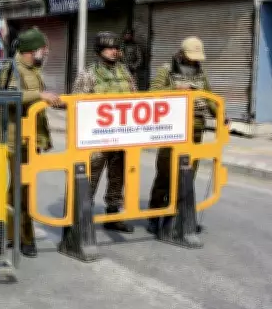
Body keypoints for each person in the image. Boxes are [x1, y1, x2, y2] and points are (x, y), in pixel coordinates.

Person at [0, 28, 63, 257]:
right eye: (44, 48)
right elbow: (8, 99)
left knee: (16, 189)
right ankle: (25, 238)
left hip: (28, 138)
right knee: (23, 190)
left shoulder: (32, 69)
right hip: (16, 139)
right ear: (32, 50)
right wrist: (39, 96)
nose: (47, 52)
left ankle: (13, 234)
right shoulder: (14, 69)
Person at [147, 37, 222, 235]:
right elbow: (152, 92)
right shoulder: (167, 70)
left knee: (187, 175)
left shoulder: (200, 73)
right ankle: (155, 216)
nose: (194, 61)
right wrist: (176, 89)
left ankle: (179, 217)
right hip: (171, 129)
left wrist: (220, 116)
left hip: (195, 129)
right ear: (181, 53)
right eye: (190, 57)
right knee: (165, 174)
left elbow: (209, 97)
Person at [71, 31, 138, 233]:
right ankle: (82, 216)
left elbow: (134, 98)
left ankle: (113, 215)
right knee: (90, 176)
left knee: (118, 177)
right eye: (109, 48)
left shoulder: (125, 72)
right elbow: (77, 103)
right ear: (100, 51)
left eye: (116, 48)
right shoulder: (89, 74)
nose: (113, 52)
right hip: (97, 137)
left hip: (121, 135)